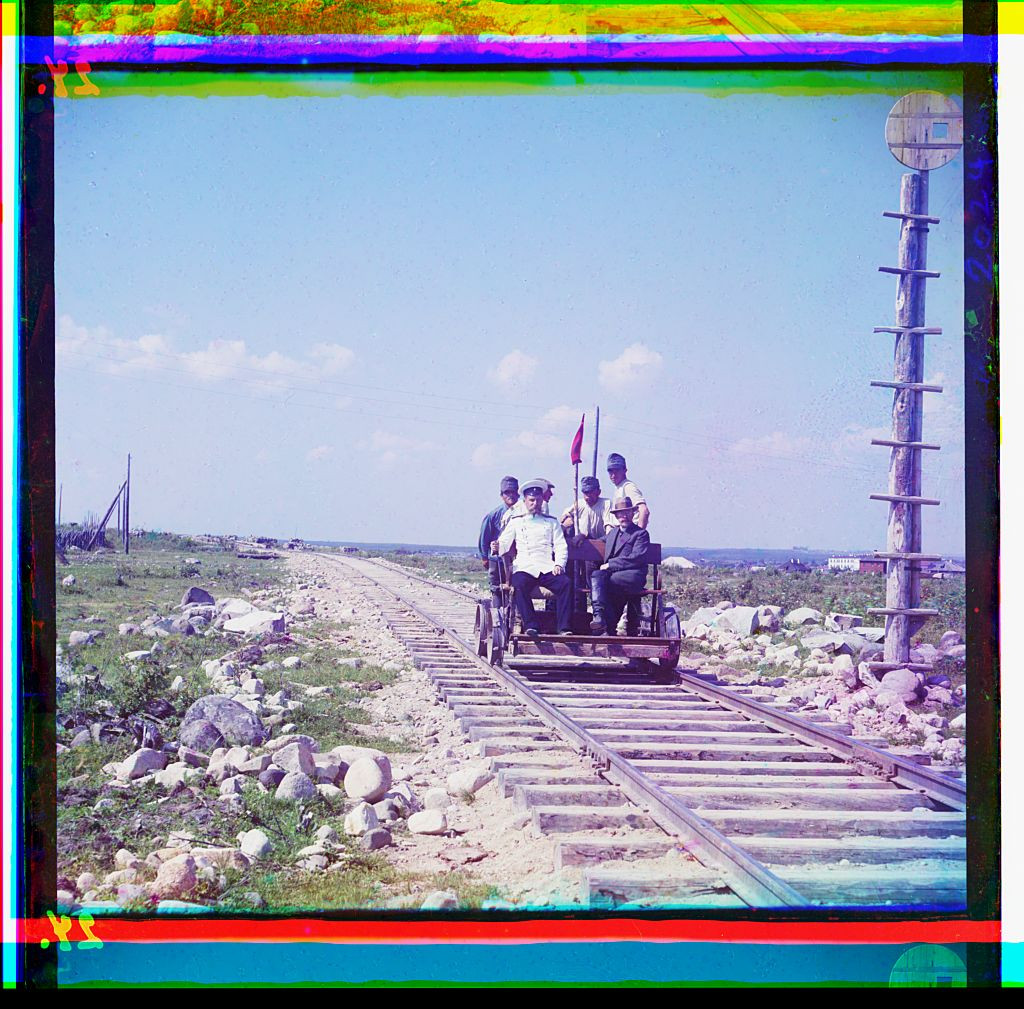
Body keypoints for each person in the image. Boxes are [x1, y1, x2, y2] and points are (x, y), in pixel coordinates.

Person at [496, 479, 572, 637]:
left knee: (565, 583)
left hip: (546, 566)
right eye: (531, 500)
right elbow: (504, 543)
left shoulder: (551, 522)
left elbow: (560, 545)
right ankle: (531, 625)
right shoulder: (517, 521)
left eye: (538, 499)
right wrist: (497, 546)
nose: (535, 503)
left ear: (542, 500)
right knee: (518, 584)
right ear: (525, 501)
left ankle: (563, 627)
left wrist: (559, 564)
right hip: (525, 567)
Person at [590, 496, 650, 636]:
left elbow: (636, 558)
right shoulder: (613, 533)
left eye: (627, 512)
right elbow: (596, 543)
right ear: (616, 516)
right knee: (597, 575)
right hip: (613, 576)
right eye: (620, 513)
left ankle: (606, 624)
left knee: (606, 582)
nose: (623, 516)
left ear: (633, 513)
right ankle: (598, 617)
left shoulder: (640, 534)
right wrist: (581, 538)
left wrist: (610, 564)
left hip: (632, 575)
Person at [478, 476, 518, 608]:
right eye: (507, 492)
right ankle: (497, 619)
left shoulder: (524, 513)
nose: (511, 495)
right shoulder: (493, 515)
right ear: (502, 495)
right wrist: (485, 557)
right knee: (497, 590)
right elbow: (484, 538)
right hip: (497, 560)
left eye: (513, 492)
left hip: (517, 560)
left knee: (516, 592)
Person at [560, 475, 612, 541]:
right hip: (581, 541)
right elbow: (565, 515)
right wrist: (567, 519)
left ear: (598, 492)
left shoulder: (606, 503)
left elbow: (609, 529)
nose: (588, 497)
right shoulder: (579, 504)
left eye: (591, 492)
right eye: (585, 493)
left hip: (601, 540)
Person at [605, 453, 649, 530]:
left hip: (629, 531)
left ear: (625, 470)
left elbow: (644, 510)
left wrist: (639, 534)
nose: (613, 475)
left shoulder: (628, 486)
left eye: (617, 471)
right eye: (610, 471)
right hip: (620, 531)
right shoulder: (619, 487)